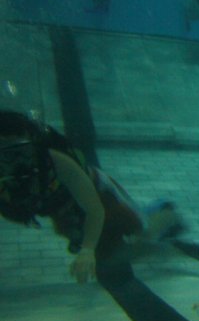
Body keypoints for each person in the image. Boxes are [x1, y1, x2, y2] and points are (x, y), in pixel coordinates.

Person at [0, 111, 182, 283]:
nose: (15, 162)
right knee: (111, 256)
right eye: (4, 152)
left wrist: (87, 251)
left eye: (20, 150)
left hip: (102, 195)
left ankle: (167, 214)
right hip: (65, 211)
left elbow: (94, 209)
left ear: (33, 145)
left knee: (142, 232)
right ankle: (156, 231)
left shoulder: (55, 162)